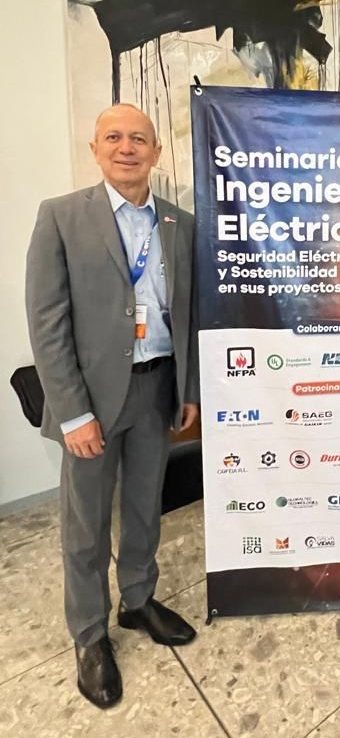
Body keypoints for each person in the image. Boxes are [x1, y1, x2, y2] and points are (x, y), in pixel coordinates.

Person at [25, 104, 200, 709]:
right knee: (86, 526)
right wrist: (73, 413)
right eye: (114, 138)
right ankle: (89, 635)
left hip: (157, 389)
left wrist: (189, 391)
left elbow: (190, 314)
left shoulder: (180, 223)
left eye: (139, 139)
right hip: (93, 403)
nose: (127, 148)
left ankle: (138, 601)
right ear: (96, 149)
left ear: (155, 153)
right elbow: (47, 325)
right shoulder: (62, 217)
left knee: (146, 507)